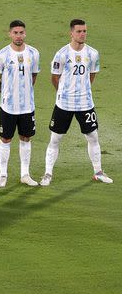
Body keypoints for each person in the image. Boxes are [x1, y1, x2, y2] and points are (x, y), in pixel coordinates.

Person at [41, 19, 113, 185]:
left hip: (85, 104)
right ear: (71, 33)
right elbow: (54, 77)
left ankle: (98, 172)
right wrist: (64, 93)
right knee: (55, 139)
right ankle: (47, 174)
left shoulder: (93, 54)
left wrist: (82, 91)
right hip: (64, 104)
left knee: (93, 136)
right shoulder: (62, 54)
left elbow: (91, 75)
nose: (82, 34)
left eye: (85, 31)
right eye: (79, 31)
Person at [0, 20, 40, 187]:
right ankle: (2, 175)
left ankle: (25, 174)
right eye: (15, 33)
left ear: (25, 34)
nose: (19, 36)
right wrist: (8, 94)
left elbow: (33, 76)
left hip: (27, 106)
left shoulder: (33, 53)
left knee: (26, 138)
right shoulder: (2, 55)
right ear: (10, 34)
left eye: (21, 33)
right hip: (8, 106)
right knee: (5, 138)